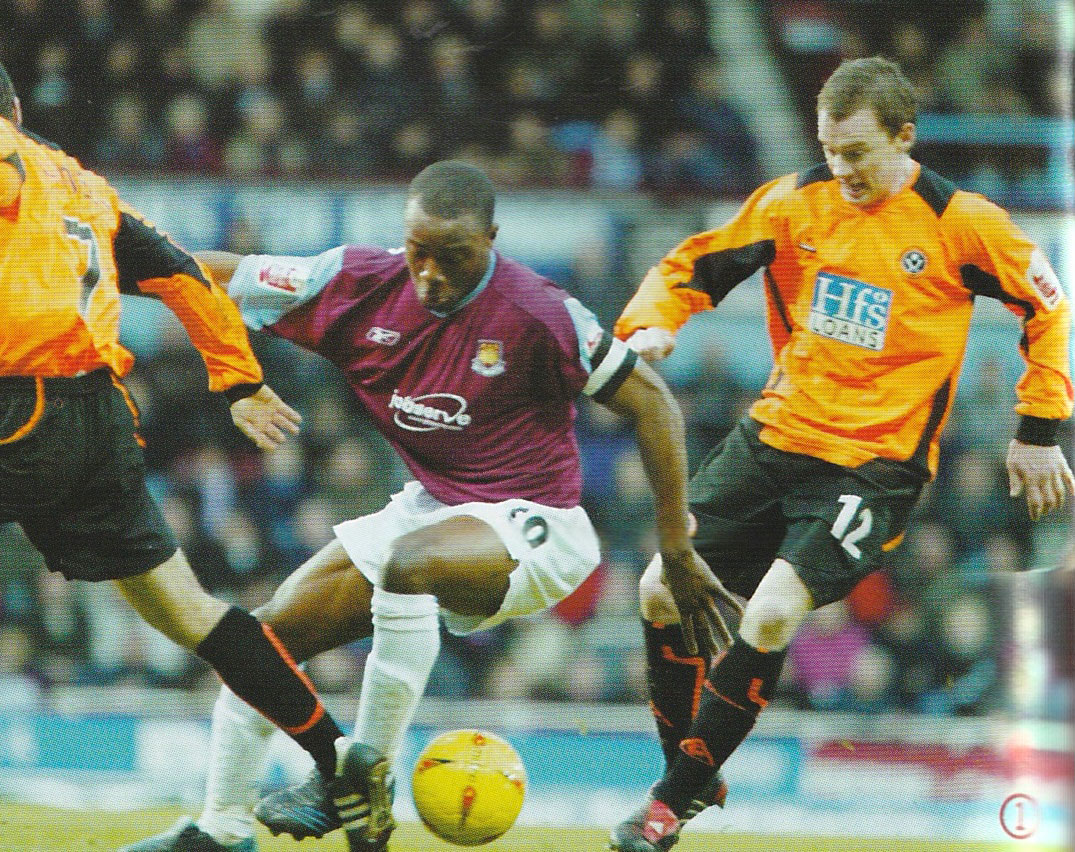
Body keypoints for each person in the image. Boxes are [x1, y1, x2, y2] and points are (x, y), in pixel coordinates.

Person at [0, 47, 391, 849]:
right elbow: (180, 272)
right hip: (100, 423)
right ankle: (339, 753)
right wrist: (237, 380)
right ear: (16, 102)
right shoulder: (79, 183)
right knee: (195, 615)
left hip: (23, 410)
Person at [119, 159, 742, 852]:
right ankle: (222, 829)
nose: (432, 275)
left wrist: (674, 545)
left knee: (406, 563)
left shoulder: (538, 311)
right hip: (434, 506)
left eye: (455, 257)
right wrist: (97, 272)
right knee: (260, 645)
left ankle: (355, 777)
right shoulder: (352, 282)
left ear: (492, 240)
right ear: (402, 240)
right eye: (419, 254)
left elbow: (652, 400)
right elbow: (218, 275)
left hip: (539, 526)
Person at [609, 56, 1073, 851]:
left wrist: (1036, 430)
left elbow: (1049, 307)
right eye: (829, 150)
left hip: (873, 467)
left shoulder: (960, 223)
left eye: (856, 152)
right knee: (657, 590)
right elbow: (691, 264)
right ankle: (687, 772)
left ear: (904, 137)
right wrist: (648, 326)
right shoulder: (795, 204)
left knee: (772, 609)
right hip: (773, 438)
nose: (841, 169)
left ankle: (667, 802)